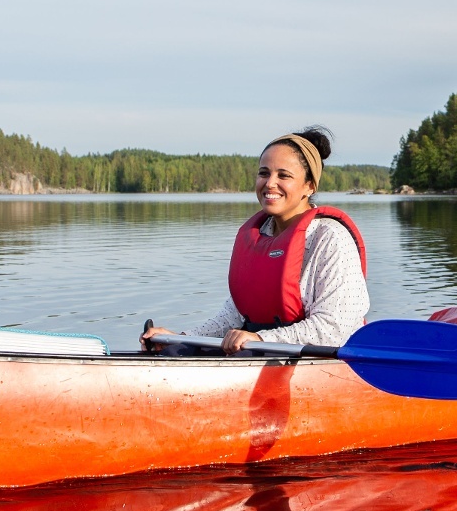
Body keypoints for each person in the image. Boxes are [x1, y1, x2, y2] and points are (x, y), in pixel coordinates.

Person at [142, 127, 370, 354]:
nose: (270, 183)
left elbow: (334, 330)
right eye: (264, 173)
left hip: (310, 358)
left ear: (309, 186)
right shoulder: (259, 236)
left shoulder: (330, 238)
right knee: (172, 353)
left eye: (284, 175)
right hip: (260, 350)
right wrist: (182, 338)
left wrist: (261, 338)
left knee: (239, 356)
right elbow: (232, 318)